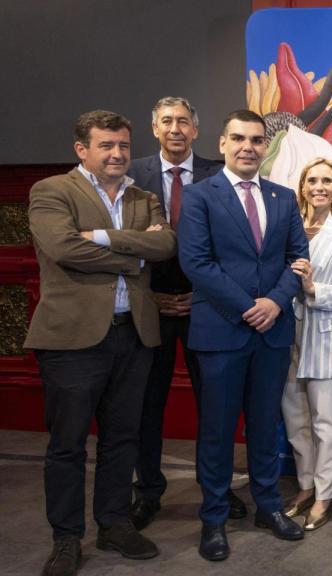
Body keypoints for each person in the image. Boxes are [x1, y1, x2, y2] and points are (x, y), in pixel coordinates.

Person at [26, 109, 176, 576]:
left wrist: (102, 237)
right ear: (82, 150)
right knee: (68, 445)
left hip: (132, 334)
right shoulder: (52, 191)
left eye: (124, 146)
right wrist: (132, 255)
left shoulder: (144, 195)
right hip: (72, 340)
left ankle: (113, 523)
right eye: (106, 145)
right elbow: (63, 248)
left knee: (123, 438)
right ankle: (67, 538)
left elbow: (165, 245)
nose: (117, 154)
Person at [178, 110, 309, 561]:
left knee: (264, 425)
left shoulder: (283, 197)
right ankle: (214, 518)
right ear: (222, 143)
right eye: (239, 138)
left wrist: (275, 301)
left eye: (256, 139)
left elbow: (298, 257)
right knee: (216, 431)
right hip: (222, 332)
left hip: (272, 331)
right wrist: (248, 306)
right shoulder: (199, 197)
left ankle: (268, 506)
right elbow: (197, 264)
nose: (248, 147)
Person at [125, 96, 246, 530]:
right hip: (149, 306)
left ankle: (216, 488)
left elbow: (234, 244)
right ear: (154, 128)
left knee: (216, 405)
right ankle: (148, 491)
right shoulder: (132, 173)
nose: (175, 129)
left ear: (196, 130)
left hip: (207, 307)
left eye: (183, 122)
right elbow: (124, 241)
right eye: (166, 122)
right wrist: (150, 294)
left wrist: (204, 293)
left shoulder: (221, 172)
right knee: (147, 406)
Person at [281, 157, 332, 531]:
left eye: (328, 180)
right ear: (303, 187)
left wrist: (313, 288)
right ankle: (305, 485)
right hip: (285, 334)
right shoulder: (288, 228)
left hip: (324, 332)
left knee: (327, 422)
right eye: (313, 180)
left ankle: (325, 494)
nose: (320, 187)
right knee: (296, 420)